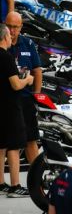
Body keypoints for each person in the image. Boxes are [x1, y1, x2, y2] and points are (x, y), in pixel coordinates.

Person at [0, 22, 33, 197]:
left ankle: (0, 183)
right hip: (10, 106)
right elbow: (15, 84)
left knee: (1, 145)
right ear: (5, 37)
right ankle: (15, 185)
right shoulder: (6, 57)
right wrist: (27, 80)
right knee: (14, 145)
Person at [6, 11, 41, 167]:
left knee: (31, 139)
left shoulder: (28, 43)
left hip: (25, 98)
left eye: (15, 27)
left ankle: (36, 177)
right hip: (6, 98)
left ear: (21, 27)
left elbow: (37, 70)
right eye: (9, 26)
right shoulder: (2, 45)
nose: (12, 31)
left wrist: (37, 95)